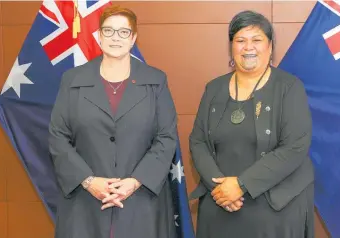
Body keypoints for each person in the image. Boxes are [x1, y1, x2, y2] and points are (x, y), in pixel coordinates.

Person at [48, 5, 177, 238]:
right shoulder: (72, 80)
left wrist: (135, 182)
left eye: (123, 32)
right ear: (98, 36)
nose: (115, 38)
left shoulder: (155, 80)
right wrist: (88, 181)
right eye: (108, 31)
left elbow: (166, 137)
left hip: (141, 200)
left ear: (133, 38)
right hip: (85, 201)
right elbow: (58, 137)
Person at [189, 10, 315, 238]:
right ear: (231, 46)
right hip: (221, 203)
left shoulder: (289, 87)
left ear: (270, 46)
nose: (248, 47)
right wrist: (219, 188)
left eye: (256, 40)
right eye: (240, 40)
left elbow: (295, 146)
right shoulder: (214, 88)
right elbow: (198, 141)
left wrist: (241, 185)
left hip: (276, 206)